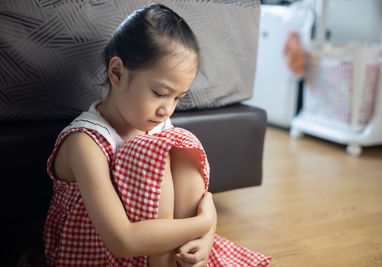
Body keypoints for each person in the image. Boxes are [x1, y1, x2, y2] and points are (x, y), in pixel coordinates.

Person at [44, 4, 271, 266]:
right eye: (160, 93)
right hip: (104, 255)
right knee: (154, 149)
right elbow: (121, 241)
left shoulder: (160, 127)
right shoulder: (85, 142)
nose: (167, 109)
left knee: (179, 144)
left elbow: (195, 194)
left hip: (157, 248)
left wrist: (205, 237)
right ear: (117, 73)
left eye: (178, 97)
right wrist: (204, 222)